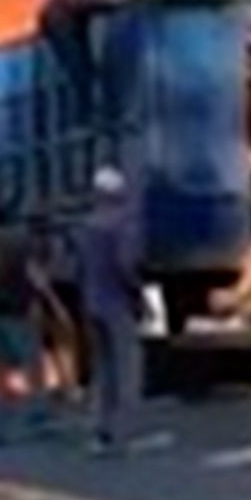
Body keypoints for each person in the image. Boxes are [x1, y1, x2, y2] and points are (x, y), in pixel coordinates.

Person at [77, 166, 168, 456]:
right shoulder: (122, 224)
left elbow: (79, 268)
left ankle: (98, 432)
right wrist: (139, 293)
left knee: (103, 370)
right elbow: (126, 264)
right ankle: (126, 434)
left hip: (92, 304)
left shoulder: (88, 225)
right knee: (127, 368)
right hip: (118, 304)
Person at [36, 0, 145, 129]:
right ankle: (84, 119)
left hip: (74, 24)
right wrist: (116, 1)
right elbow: (78, 1)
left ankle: (91, 114)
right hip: (58, 21)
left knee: (89, 69)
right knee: (79, 69)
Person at [0, 244, 53, 447]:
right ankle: (38, 414)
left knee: (0, 375)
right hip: (19, 313)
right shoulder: (23, 247)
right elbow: (38, 281)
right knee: (33, 367)